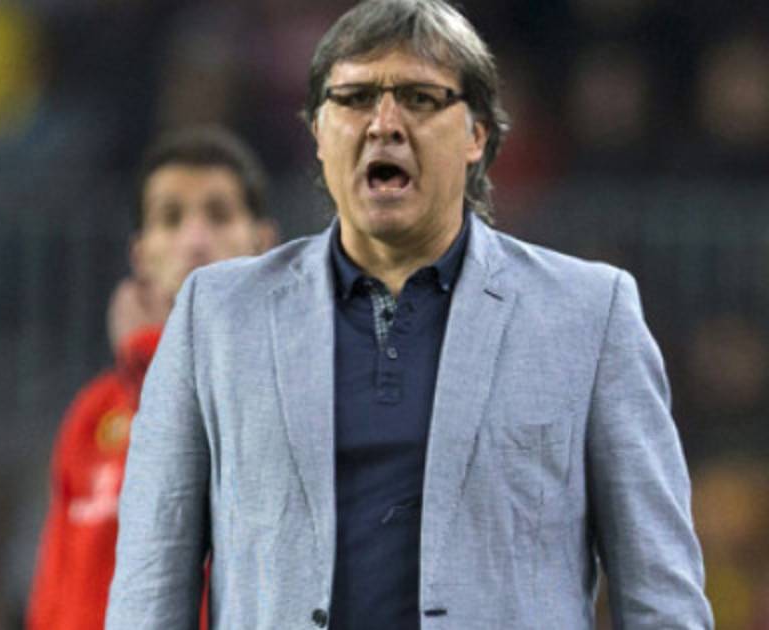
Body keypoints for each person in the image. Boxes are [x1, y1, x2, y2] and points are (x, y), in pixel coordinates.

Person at [106, 2, 713, 629]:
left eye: (420, 99)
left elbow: (662, 598)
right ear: (318, 133)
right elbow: (149, 587)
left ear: (476, 134)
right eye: (355, 98)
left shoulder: (590, 314)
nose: (384, 124)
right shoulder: (216, 315)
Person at [26, 127, 277, 630]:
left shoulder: (285, 389)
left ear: (263, 242)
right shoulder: (94, 411)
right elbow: (54, 595)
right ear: (140, 254)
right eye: (171, 218)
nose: (196, 241)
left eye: (219, 215)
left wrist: (148, 357)